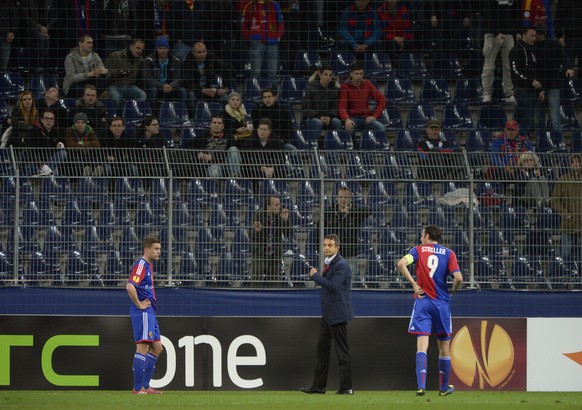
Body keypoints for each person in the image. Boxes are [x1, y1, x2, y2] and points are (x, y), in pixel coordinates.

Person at [396, 224, 463, 397]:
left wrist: (414, 284)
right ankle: (443, 389)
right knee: (444, 346)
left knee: (422, 345)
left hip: (423, 301)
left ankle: (421, 387)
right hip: (441, 304)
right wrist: (452, 292)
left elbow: (401, 264)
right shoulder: (449, 253)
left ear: (427, 236)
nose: (420, 238)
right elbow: (458, 278)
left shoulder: (418, 251)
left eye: (421, 235)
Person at [300, 233, 354, 395]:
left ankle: (346, 387)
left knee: (342, 351)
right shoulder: (330, 263)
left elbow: (333, 286)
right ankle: (318, 386)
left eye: (330, 245)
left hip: (338, 314)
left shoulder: (341, 265)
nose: (326, 248)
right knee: (322, 349)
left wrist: (315, 276)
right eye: (324, 245)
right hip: (328, 314)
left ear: (337, 247)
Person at [126, 235, 164, 395]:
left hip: (150, 312)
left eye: (160, 249)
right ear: (146, 249)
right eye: (156, 249)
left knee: (157, 348)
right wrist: (139, 304)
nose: (159, 252)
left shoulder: (148, 266)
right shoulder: (141, 265)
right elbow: (130, 287)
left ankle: (146, 386)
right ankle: (137, 389)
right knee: (143, 347)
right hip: (143, 312)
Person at [322, 187, 370, 283]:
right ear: (336, 198)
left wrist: (350, 213)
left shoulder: (356, 211)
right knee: (332, 281)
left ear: (350, 199)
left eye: (346, 197)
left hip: (350, 253)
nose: (343, 200)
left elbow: (370, 211)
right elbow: (320, 229)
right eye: (341, 197)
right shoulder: (329, 212)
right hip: (332, 254)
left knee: (349, 281)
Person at [534, 23, 575, 135]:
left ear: (540, 34)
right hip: (538, 87)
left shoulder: (553, 44)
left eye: (535, 33)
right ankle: (541, 145)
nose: (534, 36)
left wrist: (568, 68)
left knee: (555, 119)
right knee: (538, 120)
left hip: (553, 86)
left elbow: (564, 57)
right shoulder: (532, 46)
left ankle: (557, 145)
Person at [480, 0, 520, 104]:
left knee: (509, 66)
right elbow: (487, 13)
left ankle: (509, 93)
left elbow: (516, 13)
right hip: (491, 34)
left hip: (509, 33)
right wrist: (496, 33)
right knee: (489, 66)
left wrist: (517, 31)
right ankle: (487, 93)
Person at [250, 195, 291, 287]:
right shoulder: (259, 215)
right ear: (268, 206)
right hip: (259, 254)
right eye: (276, 205)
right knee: (256, 284)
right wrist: (257, 231)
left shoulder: (280, 216)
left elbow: (289, 233)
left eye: (279, 204)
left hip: (274, 256)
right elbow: (251, 235)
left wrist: (286, 220)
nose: (279, 207)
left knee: (274, 285)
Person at [241, 0, 285, 86]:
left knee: (272, 72)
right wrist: (250, 37)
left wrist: (278, 36)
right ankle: (254, 94)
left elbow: (280, 22)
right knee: (255, 72)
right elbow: (244, 24)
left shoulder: (275, 5)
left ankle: (273, 95)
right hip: (256, 42)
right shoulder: (249, 6)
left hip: (272, 42)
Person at [338, 61, 386, 138]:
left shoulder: (368, 84)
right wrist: (347, 119)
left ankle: (376, 148)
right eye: (356, 74)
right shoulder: (345, 86)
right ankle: (353, 148)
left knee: (381, 127)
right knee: (349, 128)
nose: (359, 76)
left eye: (361, 74)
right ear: (351, 74)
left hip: (366, 118)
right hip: (352, 118)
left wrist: (374, 116)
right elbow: (342, 106)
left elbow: (382, 99)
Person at [510, 27, 542, 138]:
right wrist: (531, 81)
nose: (534, 38)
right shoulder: (516, 50)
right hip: (522, 91)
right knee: (525, 122)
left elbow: (535, 72)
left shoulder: (532, 51)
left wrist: (540, 90)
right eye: (531, 35)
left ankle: (520, 148)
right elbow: (515, 73)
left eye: (535, 36)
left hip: (532, 91)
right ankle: (522, 149)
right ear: (523, 36)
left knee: (524, 122)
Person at [182, 41, 232, 112]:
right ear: (193, 53)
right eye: (199, 52)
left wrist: (226, 88)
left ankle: (221, 118)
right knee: (191, 95)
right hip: (197, 91)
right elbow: (187, 82)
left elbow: (226, 69)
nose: (202, 54)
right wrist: (202, 90)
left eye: (204, 51)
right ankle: (193, 118)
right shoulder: (187, 63)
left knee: (226, 98)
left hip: (212, 90)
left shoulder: (211, 58)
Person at [551, 153, 582, 266]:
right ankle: (567, 278)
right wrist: (566, 214)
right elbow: (555, 200)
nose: (576, 164)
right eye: (573, 162)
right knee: (566, 255)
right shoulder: (562, 180)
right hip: (568, 223)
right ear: (569, 165)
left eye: (578, 162)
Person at [143, 36, 187, 111]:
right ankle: (153, 117)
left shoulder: (176, 61)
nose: (163, 51)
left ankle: (181, 115)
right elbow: (147, 79)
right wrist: (162, 86)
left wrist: (171, 86)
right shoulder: (148, 60)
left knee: (182, 91)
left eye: (165, 48)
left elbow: (179, 78)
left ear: (168, 49)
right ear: (156, 49)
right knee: (153, 91)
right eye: (160, 48)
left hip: (170, 88)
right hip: (156, 87)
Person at [302, 63, 342, 140]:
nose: (328, 77)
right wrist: (319, 117)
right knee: (318, 123)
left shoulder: (334, 90)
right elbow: (306, 109)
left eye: (330, 75)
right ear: (320, 75)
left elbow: (335, 108)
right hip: (312, 118)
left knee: (337, 122)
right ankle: (312, 148)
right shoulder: (309, 88)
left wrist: (329, 117)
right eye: (325, 74)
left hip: (328, 119)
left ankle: (336, 148)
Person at [105, 39, 147, 109]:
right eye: (138, 48)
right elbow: (107, 73)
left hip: (130, 86)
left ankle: (133, 115)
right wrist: (121, 72)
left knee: (142, 94)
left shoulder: (140, 60)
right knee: (116, 98)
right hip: (115, 85)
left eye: (141, 49)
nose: (140, 51)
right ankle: (119, 117)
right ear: (131, 47)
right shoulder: (115, 55)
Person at [195, 114, 241, 178]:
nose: (216, 125)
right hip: (213, 166)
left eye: (219, 123)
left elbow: (231, 154)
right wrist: (198, 154)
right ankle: (215, 187)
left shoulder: (229, 137)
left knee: (233, 149)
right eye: (214, 123)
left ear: (223, 126)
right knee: (214, 172)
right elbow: (187, 147)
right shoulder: (203, 137)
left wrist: (212, 157)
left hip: (228, 166)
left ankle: (235, 178)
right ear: (210, 125)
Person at [63, 34, 109, 98]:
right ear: (80, 44)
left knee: (101, 81)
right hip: (76, 83)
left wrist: (102, 71)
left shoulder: (95, 56)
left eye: (92, 43)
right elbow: (71, 78)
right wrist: (87, 74)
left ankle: (97, 100)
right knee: (78, 89)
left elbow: (102, 68)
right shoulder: (70, 57)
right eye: (88, 43)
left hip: (90, 81)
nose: (91, 45)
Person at [28, 108, 66, 176]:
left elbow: (61, 143)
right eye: (46, 118)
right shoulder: (33, 132)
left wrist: (61, 144)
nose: (49, 121)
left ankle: (46, 173)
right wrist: (41, 165)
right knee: (53, 172)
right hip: (34, 163)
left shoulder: (56, 132)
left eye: (51, 119)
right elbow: (30, 152)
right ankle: (45, 173)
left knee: (63, 152)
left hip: (50, 163)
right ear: (41, 120)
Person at [64, 112, 102, 177]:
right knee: (76, 157)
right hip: (75, 155)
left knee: (94, 153)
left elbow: (97, 144)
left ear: (86, 124)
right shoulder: (69, 131)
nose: (80, 124)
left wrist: (83, 144)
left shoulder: (90, 131)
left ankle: (95, 171)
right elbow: (71, 145)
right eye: (78, 122)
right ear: (74, 124)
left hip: (87, 154)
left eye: (83, 122)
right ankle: (85, 171)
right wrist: (87, 146)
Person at [0, 0, 18, 72]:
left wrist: (12, 32)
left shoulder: (10, 2)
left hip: (5, 35)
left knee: (3, 67)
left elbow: (14, 17)